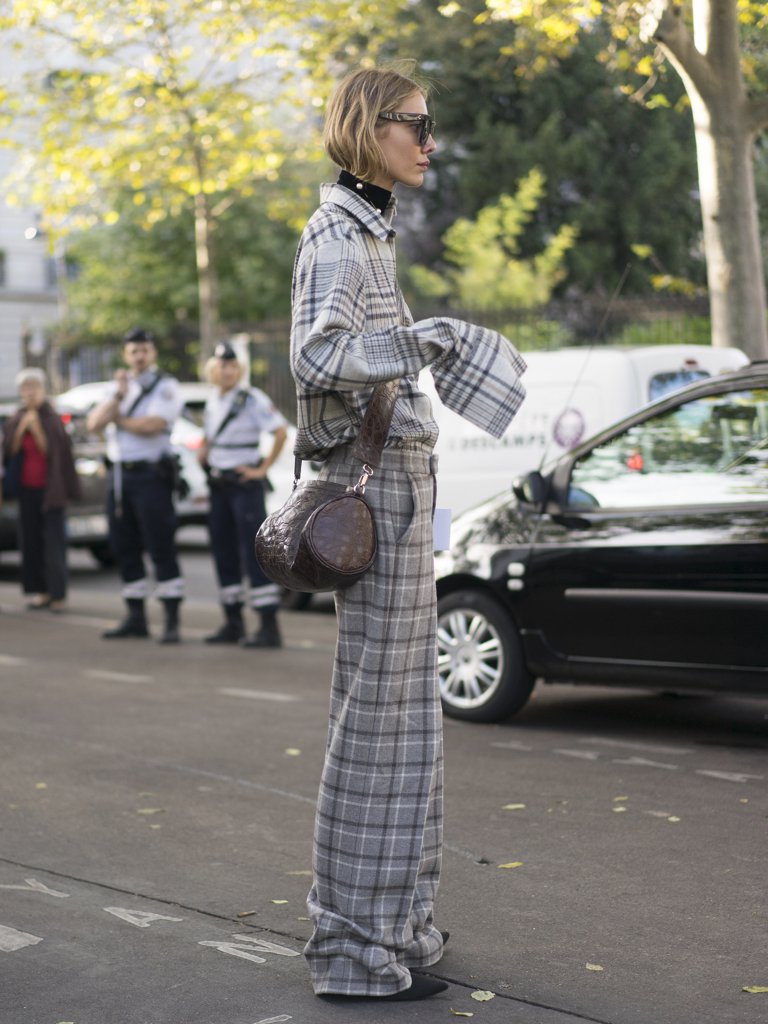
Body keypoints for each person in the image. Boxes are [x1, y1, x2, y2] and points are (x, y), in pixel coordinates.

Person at [290, 64, 527, 1002]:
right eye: (418, 126)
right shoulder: (340, 236)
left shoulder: (365, 231)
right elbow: (315, 356)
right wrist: (421, 340)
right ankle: (355, 951)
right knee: (381, 728)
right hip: (376, 492)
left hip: (394, 489)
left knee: (405, 724)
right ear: (369, 126)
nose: (431, 142)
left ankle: (398, 931)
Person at [87, 327, 185, 643]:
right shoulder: (118, 388)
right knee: (123, 545)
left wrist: (120, 421)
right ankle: (136, 617)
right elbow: (93, 424)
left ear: (152, 352)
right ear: (125, 355)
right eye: (133, 351)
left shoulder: (165, 386)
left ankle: (171, 619)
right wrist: (117, 395)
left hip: (151, 476)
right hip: (120, 476)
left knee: (160, 544)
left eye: (144, 350)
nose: (139, 356)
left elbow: (154, 424)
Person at [199, 341, 288, 647]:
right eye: (223, 366)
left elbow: (280, 431)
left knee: (254, 553)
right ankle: (232, 622)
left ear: (240, 370)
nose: (228, 371)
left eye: (233, 366)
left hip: (243, 484)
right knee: (223, 553)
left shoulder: (251, 399)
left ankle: (268, 625)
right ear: (214, 369)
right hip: (219, 485)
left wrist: (261, 469)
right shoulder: (213, 399)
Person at [2, 368, 81, 611]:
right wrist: (22, 430)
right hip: (27, 490)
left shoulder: (51, 418)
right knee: (32, 543)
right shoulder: (16, 418)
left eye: (34, 387)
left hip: (51, 490)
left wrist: (36, 429)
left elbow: (56, 454)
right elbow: (9, 453)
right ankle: (40, 591)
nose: (30, 393)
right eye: (26, 388)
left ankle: (57, 593)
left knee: (53, 544)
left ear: (43, 390)